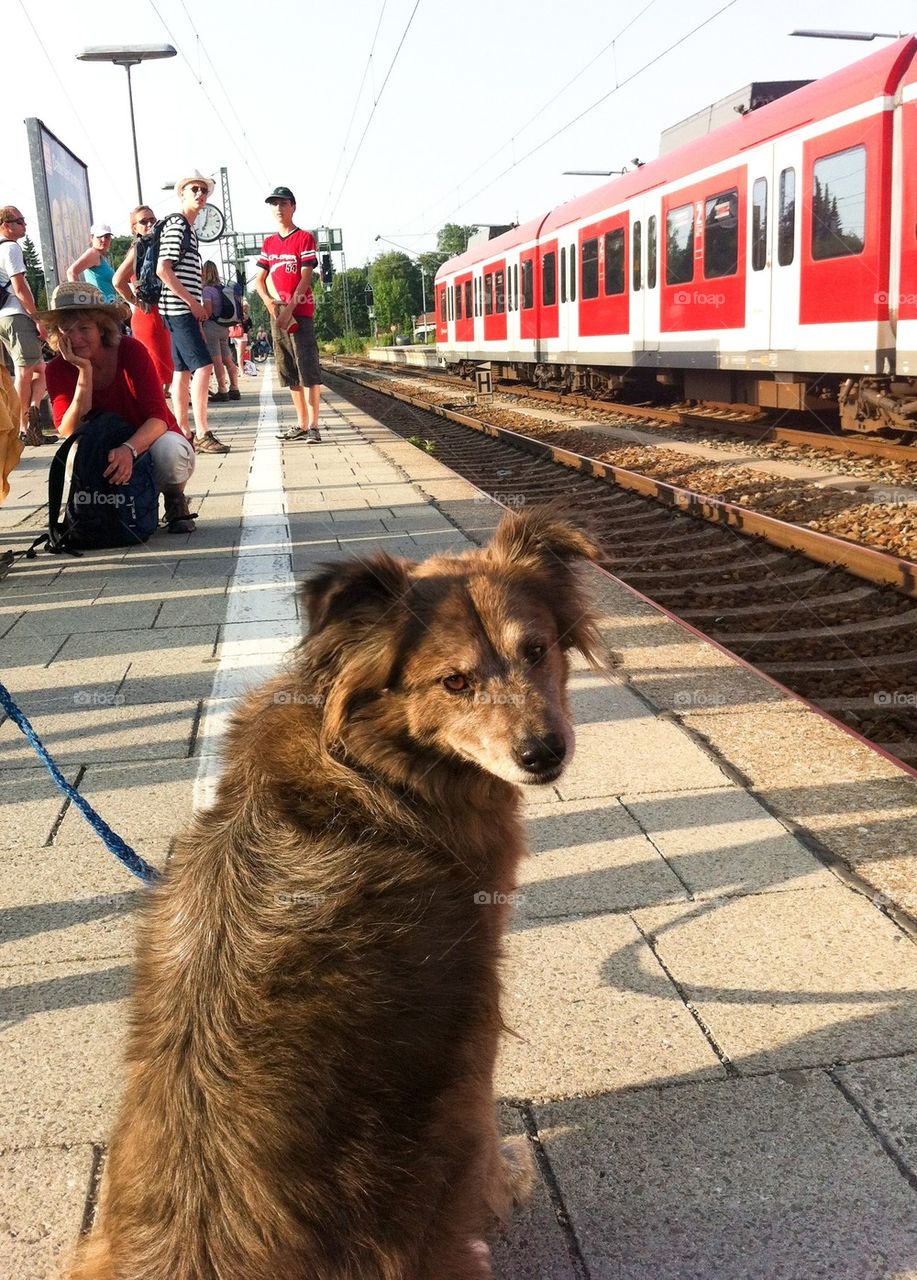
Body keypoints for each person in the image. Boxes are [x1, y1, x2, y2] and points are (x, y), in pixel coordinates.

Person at [42, 282, 197, 534]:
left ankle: (174, 498)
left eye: (84, 328)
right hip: (102, 445)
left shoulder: (130, 350)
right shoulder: (58, 368)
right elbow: (69, 430)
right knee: (72, 456)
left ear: (102, 327)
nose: (75, 337)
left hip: (148, 438)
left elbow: (157, 417)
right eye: (66, 329)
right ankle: (103, 508)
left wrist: (129, 449)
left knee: (170, 451)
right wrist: (84, 372)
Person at [156, 170, 228, 455]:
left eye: (203, 190)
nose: (200, 194)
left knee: (182, 370)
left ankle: (183, 431)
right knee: (204, 366)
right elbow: (164, 269)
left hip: (175, 310)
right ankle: (202, 432)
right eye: (194, 189)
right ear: (181, 194)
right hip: (178, 309)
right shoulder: (178, 226)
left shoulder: (188, 228)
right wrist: (192, 303)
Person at [255, 185, 322, 443]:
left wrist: (290, 309)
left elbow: (306, 276)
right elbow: (260, 279)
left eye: (283, 203)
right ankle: (302, 423)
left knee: (308, 369)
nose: (279, 208)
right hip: (278, 314)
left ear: (293, 206)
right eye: (274, 204)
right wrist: (271, 305)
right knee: (290, 370)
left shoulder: (304, 238)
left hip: (300, 313)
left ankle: (314, 425)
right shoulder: (269, 243)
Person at [112, 205, 174, 395]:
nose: (149, 224)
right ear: (134, 228)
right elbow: (118, 281)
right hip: (149, 315)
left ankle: (162, 414)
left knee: (167, 370)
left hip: (163, 313)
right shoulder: (138, 249)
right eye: (143, 221)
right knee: (155, 370)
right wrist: (135, 301)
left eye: (152, 220)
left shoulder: (155, 247)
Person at [0, 205, 47, 446]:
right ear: (6, 225)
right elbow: (19, 288)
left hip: (4, 317)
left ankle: (31, 416)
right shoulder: (10, 248)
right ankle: (23, 427)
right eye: (20, 221)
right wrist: (38, 318)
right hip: (16, 316)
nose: (24, 225)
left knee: (39, 369)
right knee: (26, 372)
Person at [200, 261, 240, 402]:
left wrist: (200, 318)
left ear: (204, 272)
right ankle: (235, 388)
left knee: (217, 361)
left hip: (212, 327)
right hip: (224, 327)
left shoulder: (207, 290)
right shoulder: (221, 288)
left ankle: (222, 390)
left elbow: (209, 311)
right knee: (228, 359)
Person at [66, 223, 117, 302]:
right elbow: (71, 272)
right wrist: (80, 301)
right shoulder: (93, 253)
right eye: (99, 236)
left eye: (107, 237)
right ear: (92, 238)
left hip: (109, 308)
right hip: (100, 309)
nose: (104, 240)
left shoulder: (102, 257)